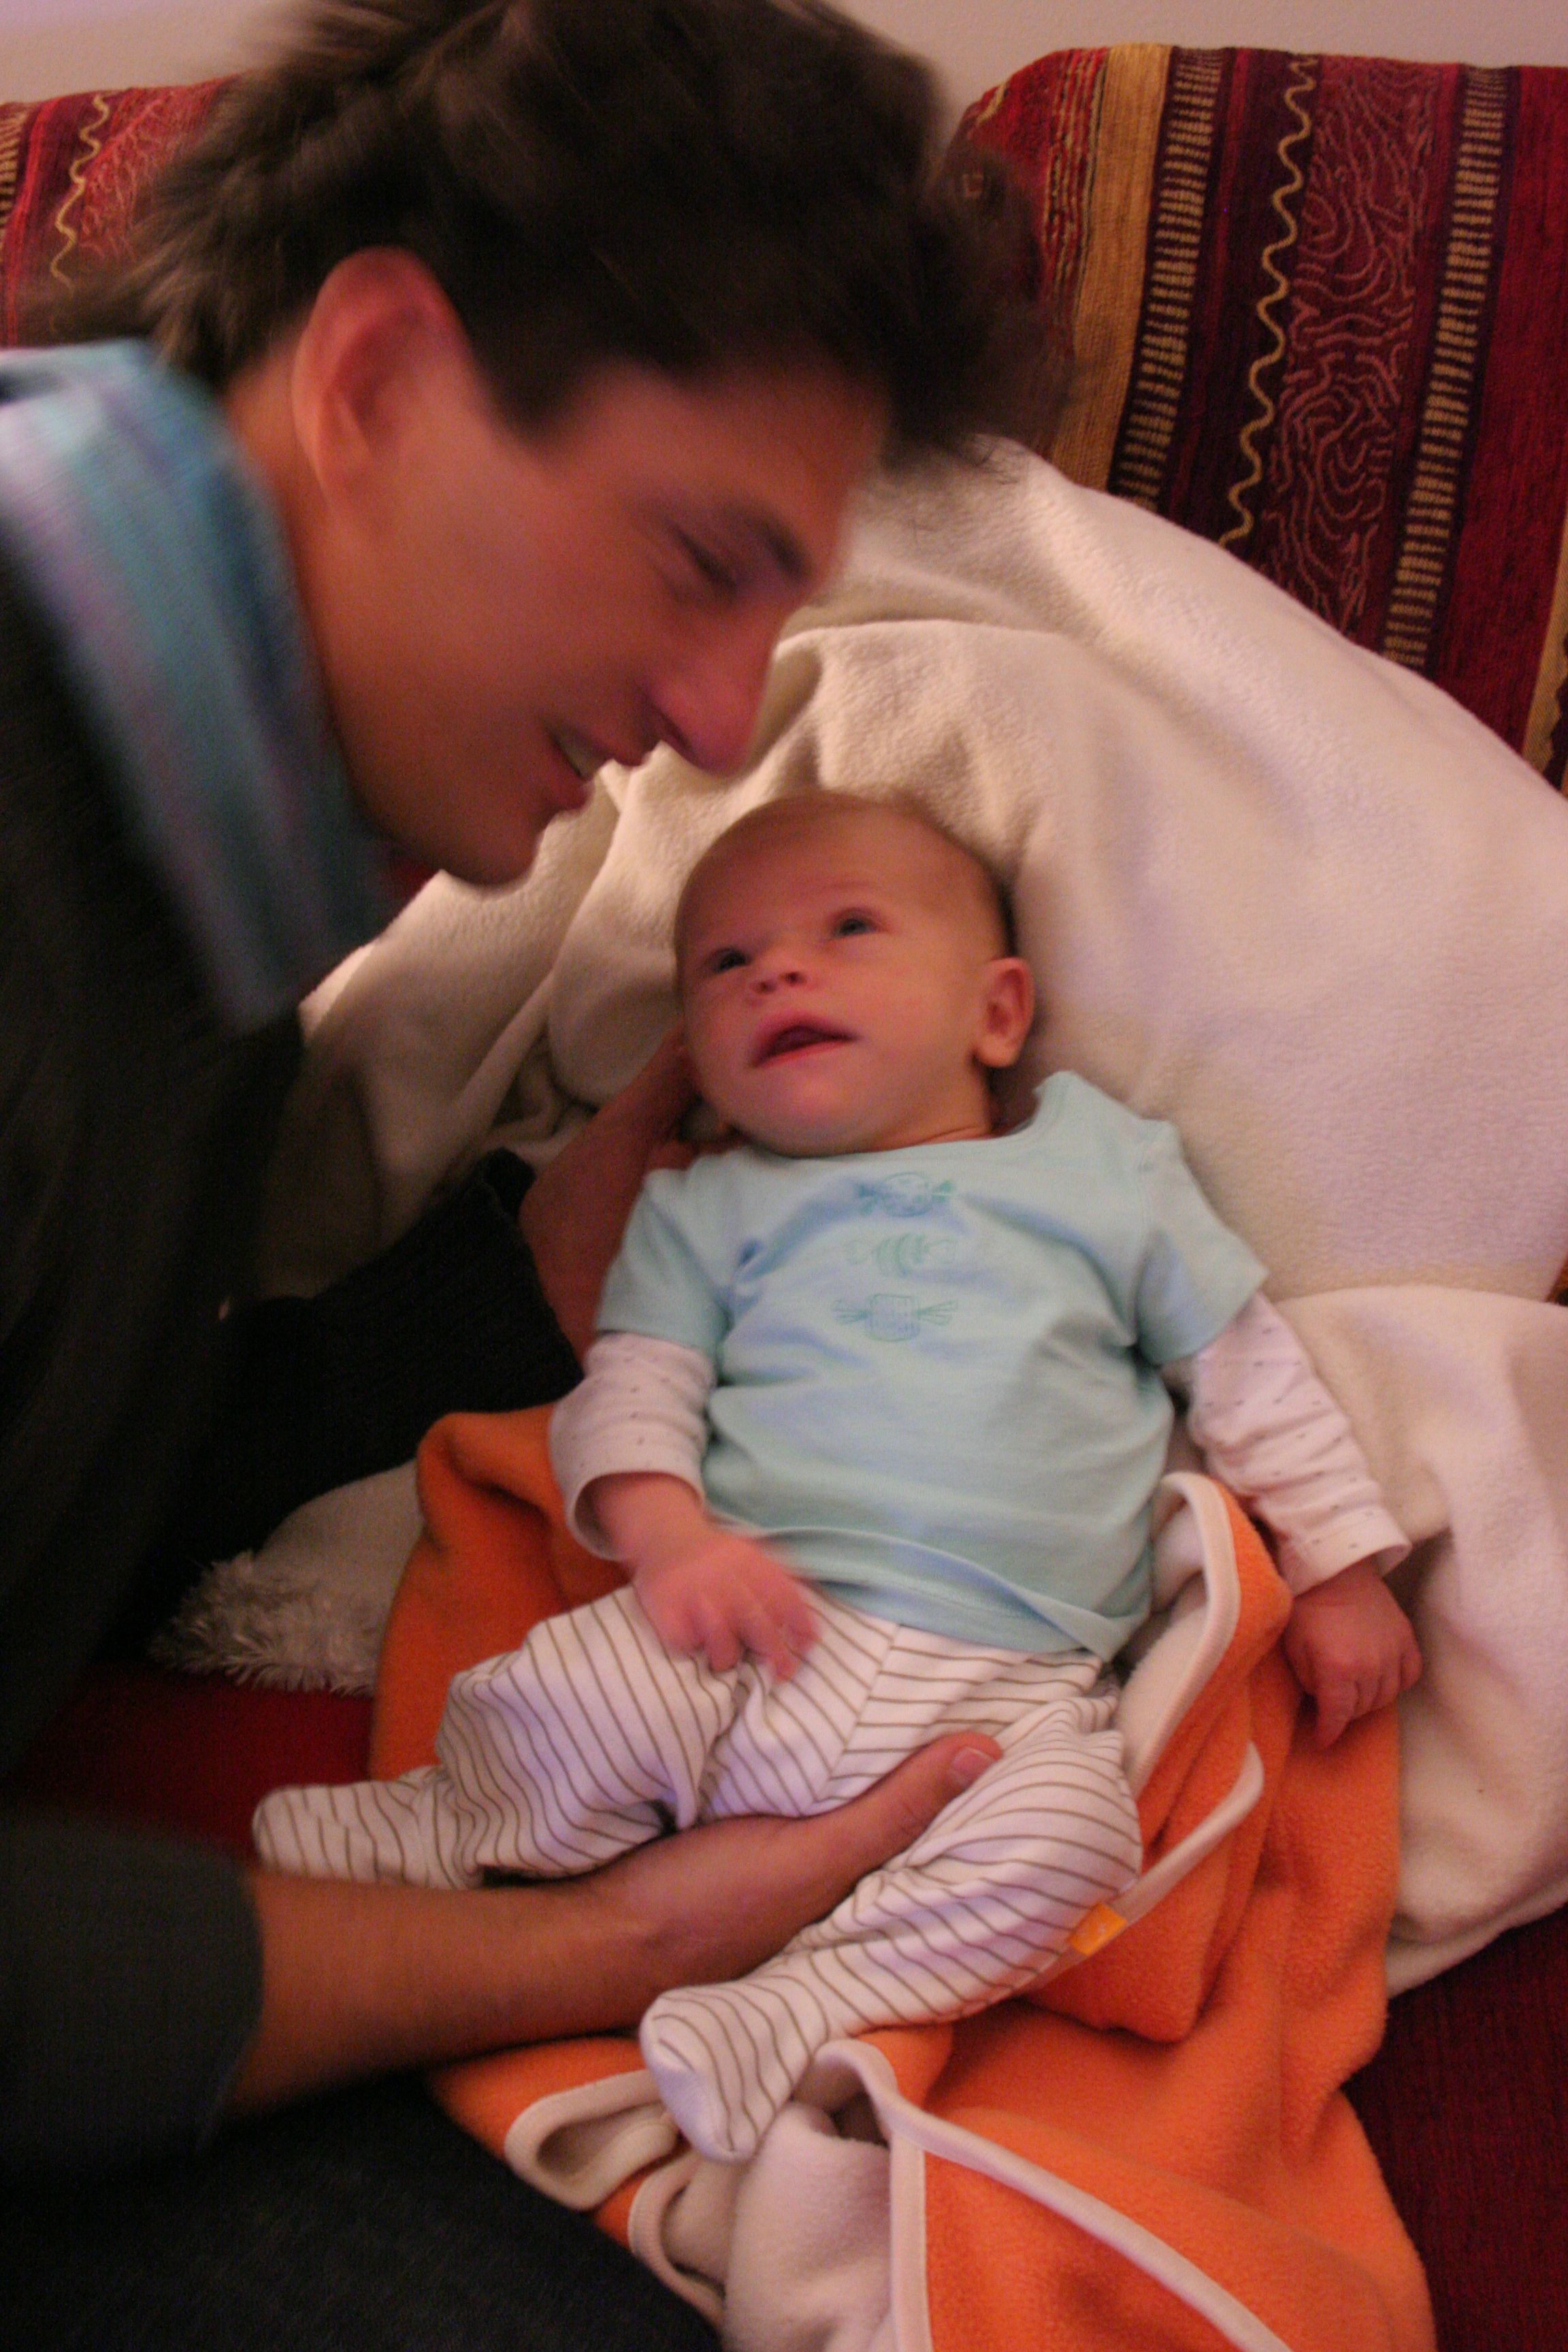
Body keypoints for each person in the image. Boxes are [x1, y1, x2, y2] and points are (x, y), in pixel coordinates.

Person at [0, 0, 1039, 2317]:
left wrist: (496, 1307)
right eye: (694, 561)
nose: (721, 716)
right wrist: (610, 1939)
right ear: (375, 377)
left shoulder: (193, 845)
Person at [255, 791, 1422, 2165]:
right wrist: (669, 1536)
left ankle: (804, 2003)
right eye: (726, 964)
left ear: (997, 1013)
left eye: (848, 930)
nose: (779, 974)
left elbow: (1243, 1370)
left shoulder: (1098, 1170)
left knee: (1077, 1841)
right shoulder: (708, 1208)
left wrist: (1336, 1566)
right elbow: (631, 1390)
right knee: (575, 1686)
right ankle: (454, 1820)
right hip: (752, 1625)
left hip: (1010, 1684)